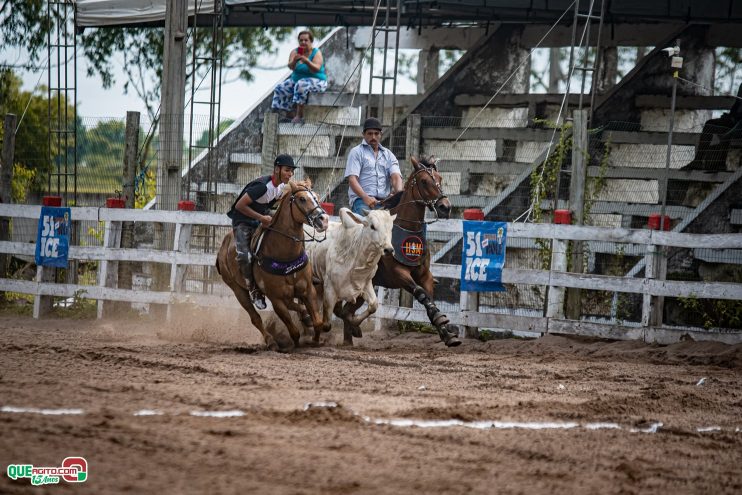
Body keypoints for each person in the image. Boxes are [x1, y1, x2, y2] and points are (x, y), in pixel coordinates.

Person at [227, 154, 298, 309]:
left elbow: (270, 206)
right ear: (277, 169)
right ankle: (253, 289)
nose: (290, 174)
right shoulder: (262, 186)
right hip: (243, 222)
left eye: (292, 171)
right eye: (287, 170)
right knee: (244, 256)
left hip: (260, 216)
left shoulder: (280, 187)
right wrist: (261, 218)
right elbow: (239, 206)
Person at [344, 117, 404, 216]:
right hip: (362, 201)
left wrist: (398, 195)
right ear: (363, 134)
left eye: (376, 133)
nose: (373, 137)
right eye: (370, 133)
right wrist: (365, 197)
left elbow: (396, 177)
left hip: (385, 202)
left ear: (381, 135)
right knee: (368, 227)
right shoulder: (356, 152)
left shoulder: (388, 154)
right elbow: (352, 179)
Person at [271, 30, 327, 124]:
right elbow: (291, 67)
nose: (303, 43)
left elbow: (316, 69)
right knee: (281, 88)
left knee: (301, 85)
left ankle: (299, 115)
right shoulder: (295, 52)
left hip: (317, 81)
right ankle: (287, 114)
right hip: (296, 80)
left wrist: (307, 61)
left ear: (311, 41)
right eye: (301, 40)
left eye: (306, 40)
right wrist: (294, 61)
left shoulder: (316, 53)